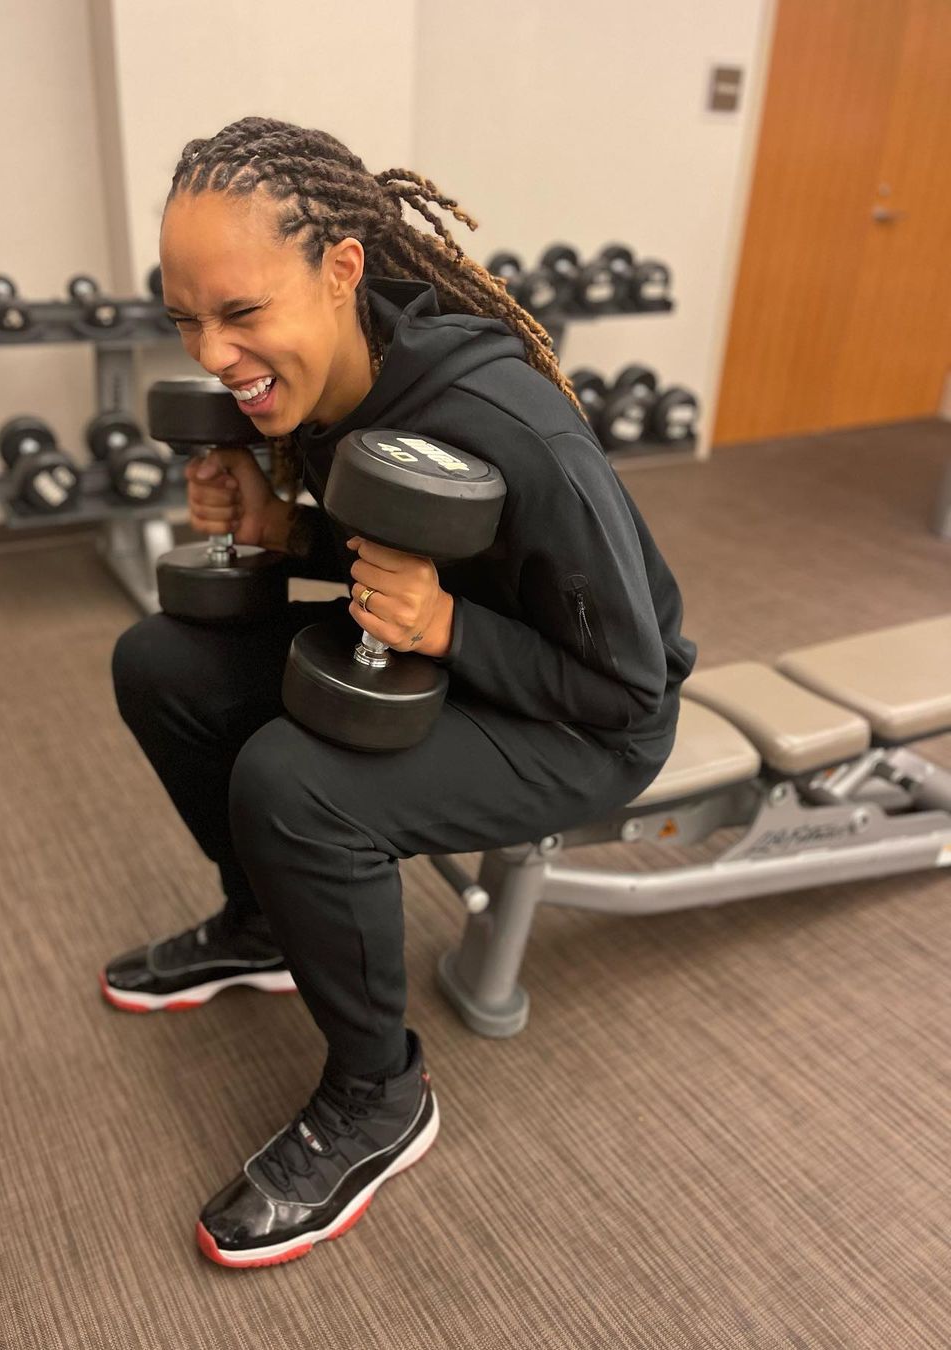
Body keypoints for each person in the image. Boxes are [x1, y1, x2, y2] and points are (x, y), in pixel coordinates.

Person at [102, 116, 697, 1269]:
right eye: (187, 320)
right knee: (160, 660)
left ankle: (381, 1097)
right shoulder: (326, 382)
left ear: (341, 269)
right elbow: (403, 543)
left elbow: (627, 689)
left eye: (240, 312)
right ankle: (269, 924)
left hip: (589, 716)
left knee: (294, 786)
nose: (214, 354)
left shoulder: (516, 434)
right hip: (449, 647)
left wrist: (447, 627)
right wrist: (290, 530)